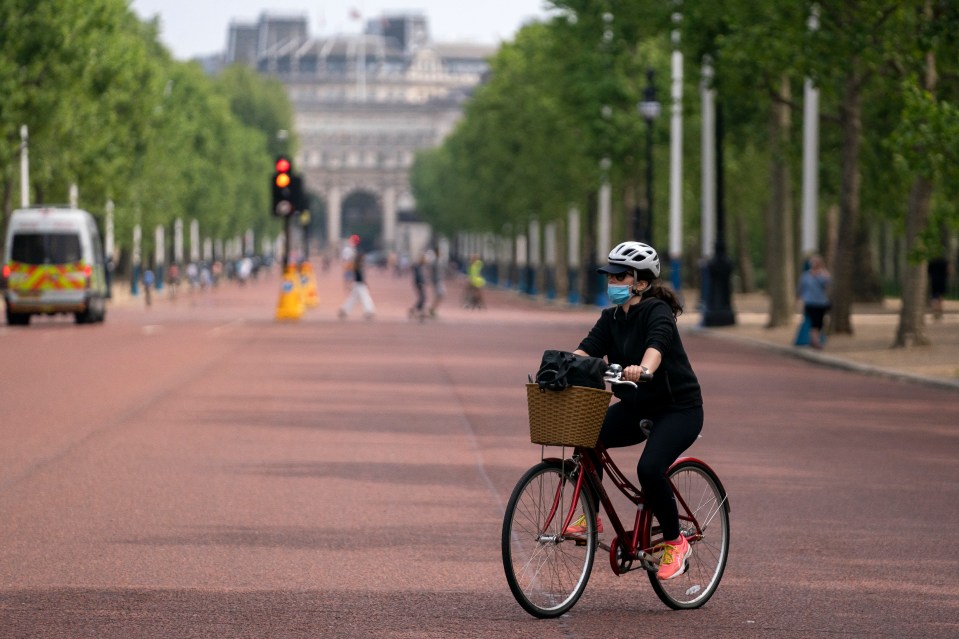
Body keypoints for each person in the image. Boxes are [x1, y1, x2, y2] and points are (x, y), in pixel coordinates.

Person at [571, 241, 703, 581]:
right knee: (587, 435)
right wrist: (563, 365)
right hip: (637, 406)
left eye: (620, 276)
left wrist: (642, 368)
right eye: (610, 276)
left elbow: (656, 346)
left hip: (679, 410)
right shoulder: (610, 317)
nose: (612, 282)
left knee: (650, 467)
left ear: (640, 283)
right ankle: (590, 517)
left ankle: (676, 541)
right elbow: (585, 350)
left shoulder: (657, 311)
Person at [796, 254, 831, 349]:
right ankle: (815, 341)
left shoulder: (823, 275)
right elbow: (800, 288)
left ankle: (815, 340)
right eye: (813, 262)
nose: (815, 264)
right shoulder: (806, 276)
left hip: (821, 302)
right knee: (813, 321)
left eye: (817, 262)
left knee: (819, 322)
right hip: (810, 302)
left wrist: (824, 274)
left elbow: (828, 283)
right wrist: (798, 299)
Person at [338, 250, 375, 319]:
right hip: (360, 284)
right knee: (365, 297)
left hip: (357, 284)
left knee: (352, 298)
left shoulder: (356, 265)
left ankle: (344, 309)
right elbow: (360, 277)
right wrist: (365, 283)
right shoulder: (358, 266)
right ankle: (368, 310)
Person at [928, 256, 948, 320]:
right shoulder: (944, 261)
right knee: (940, 297)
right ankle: (940, 312)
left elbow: (928, 271)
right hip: (942, 280)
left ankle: (934, 312)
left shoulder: (932, 261)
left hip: (934, 280)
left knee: (934, 297)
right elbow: (949, 270)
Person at [409, 253, 427, 321]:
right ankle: (419, 312)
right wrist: (421, 283)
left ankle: (417, 311)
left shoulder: (420, 266)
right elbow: (419, 276)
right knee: (423, 298)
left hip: (420, 283)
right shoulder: (418, 267)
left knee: (422, 298)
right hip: (419, 284)